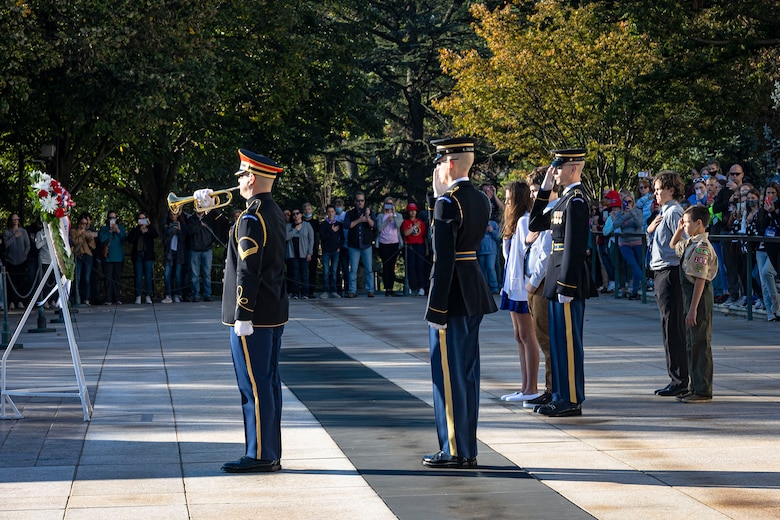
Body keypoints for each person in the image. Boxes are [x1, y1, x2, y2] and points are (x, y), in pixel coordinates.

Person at [193, 148, 288, 473]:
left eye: (242, 175)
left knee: (254, 386)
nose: (239, 181)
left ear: (253, 178)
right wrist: (208, 215)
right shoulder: (269, 212)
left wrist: (242, 314)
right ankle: (269, 450)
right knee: (268, 382)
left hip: (254, 317)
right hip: (272, 312)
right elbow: (236, 243)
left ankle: (260, 454)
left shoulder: (252, 216)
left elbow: (249, 270)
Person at [422, 137, 498, 468]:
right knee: (467, 374)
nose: (436, 169)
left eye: (439, 163)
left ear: (449, 164)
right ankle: (466, 447)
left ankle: (452, 449)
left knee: (448, 376)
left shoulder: (447, 203)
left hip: (451, 295)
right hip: (473, 288)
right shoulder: (480, 198)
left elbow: (442, 257)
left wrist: (435, 307)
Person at [528, 148, 593, 417]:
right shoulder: (562, 201)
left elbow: (574, 247)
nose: (555, 172)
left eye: (559, 167)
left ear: (573, 168)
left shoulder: (576, 201)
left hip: (567, 283)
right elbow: (535, 222)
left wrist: (566, 286)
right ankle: (559, 395)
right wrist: (544, 189)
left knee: (568, 342)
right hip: (556, 281)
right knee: (557, 342)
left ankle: (572, 398)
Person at [670, 205, 718, 402]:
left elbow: (700, 279)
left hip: (699, 300)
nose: (685, 225)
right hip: (690, 299)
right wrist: (680, 228)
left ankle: (703, 389)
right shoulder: (691, 242)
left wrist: (693, 309)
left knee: (700, 344)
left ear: (700, 223)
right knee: (691, 343)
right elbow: (674, 245)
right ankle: (695, 386)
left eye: (688, 222)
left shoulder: (702, 247)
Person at [498, 181, 540, 404]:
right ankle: (524, 386)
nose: (506, 203)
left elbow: (527, 251)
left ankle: (531, 387)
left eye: (508, 199)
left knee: (527, 335)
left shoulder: (525, 220)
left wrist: (522, 240)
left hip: (521, 286)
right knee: (518, 335)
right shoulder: (515, 223)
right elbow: (508, 254)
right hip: (512, 284)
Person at [647, 170, 688, 397]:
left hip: (670, 272)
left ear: (671, 190)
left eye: (659, 189)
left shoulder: (673, 212)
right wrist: (649, 229)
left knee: (673, 327)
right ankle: (675, 377)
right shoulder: (663, 212)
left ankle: (680, 379)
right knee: (667, 326)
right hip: (661, 271)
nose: (656, 193)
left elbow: (681, 245)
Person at [524, 168, 557, 409]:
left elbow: (546, 254)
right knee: (541, 335)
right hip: (536, 281)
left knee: (546, 338)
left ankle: (552, 388)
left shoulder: (552, 211)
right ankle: (551, 387)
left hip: (543, 282)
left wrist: (533, 282)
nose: (534, 196)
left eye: (537, 190)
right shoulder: (544, 211)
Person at [711, 164, 745, 306]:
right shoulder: (724, 191)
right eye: (732, 174)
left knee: (744, 265)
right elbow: (715, 207)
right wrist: (728, 201)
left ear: (742, 174)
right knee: (730, 265)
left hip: (743, 232)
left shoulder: (746, 189)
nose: (735, 177)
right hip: (727, 231)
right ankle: (733, 294)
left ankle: (747, 295)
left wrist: (738, 192)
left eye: (737, 174)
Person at [611, 193, 645, 299]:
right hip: (624, 242)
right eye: (625, 202)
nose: (627, 204)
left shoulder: (638, 211)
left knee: (637, 265)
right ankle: (644, 282)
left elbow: (639, 224)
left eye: (629, 201)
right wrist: (626, 215)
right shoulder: (620, 214)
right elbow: (615, 224)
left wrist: (632, 213)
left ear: (633, 202)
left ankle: (634, 291)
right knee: (632, 263)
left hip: (637, 242)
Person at [343, 191, 375, 298]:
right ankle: (352, 290)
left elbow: (373, 225)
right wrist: (360, 220)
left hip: (366, 244)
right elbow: (347, 225)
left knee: (369, 269)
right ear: (355, 201)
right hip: (354, 245)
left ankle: (370, 290)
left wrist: (367, 217)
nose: (360, 203)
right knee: (353, 269)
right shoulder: (350, 213)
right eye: (358, 200)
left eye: (362, 200)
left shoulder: (369, 212)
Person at [757, 182, 780, 320]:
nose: (770, 196)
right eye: (768, 193)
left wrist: (773, 213)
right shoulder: (763, 209)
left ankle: (775, 304)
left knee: (767, 272)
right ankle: (770, 312)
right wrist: (767, 213)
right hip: (763, 246)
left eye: (773, 193)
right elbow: (760, 228)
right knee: (763, 278)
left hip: (776, 249)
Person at [128, 212, 158, 304]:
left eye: (144, 218)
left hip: (148, 255)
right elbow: (130, 239)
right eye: (140, 219)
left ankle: (148, 295)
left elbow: (156, 235)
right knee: (138, 276)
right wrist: (139, 230)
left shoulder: (150, 229)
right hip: (138, 255)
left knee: (148, 276)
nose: (142, 220)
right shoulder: (135, 230)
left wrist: (148, 226)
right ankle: (138, 296)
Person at [375, 196, 403, 296]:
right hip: (383, 243)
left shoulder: (398, 215)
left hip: (394, 243)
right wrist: (387, 221)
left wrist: (394, 214)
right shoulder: (380, 216)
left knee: (392, 266)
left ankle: (391, 287)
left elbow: (398, 226)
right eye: (387, 203)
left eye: (391, 204)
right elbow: (379, 228)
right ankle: (387, 288)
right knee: (386, 266)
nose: (389, 205)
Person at [99, 211, 127, 305]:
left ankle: (117, 297)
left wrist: (118, 231)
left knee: (117, 278)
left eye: (114, 218)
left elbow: (124, 239)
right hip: (108, 257)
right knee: (108, 278)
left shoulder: (121, 228)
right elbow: (101, 239)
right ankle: (108, 298)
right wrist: (109, 231)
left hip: (118, 257)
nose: (112, 219)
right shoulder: (104, 229)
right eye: (110, 218)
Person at [3, 214, 30, 309]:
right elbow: (6, 245)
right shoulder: (7, 232)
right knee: (11, 282)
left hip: (22, 260)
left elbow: (28, 245)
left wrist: (24, 255)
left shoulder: (23, 232)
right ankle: (11, 301)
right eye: (13, 219)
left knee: (21, 282)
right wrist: (14, 236)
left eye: (17, 219)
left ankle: (20, 301)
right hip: (11, 260)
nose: (15, 221)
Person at [187, 209, 215, 302]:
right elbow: (189, 232)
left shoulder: (209, 218)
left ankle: (207, 294)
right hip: (194, 250)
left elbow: (213, 232)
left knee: (207, 274)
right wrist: (200, 224)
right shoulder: (191, 219)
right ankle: (196, 295)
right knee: (195, 275)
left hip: (207, 249)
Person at [285, 209, 314, 299]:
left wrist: (310, 253)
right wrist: (295, 230)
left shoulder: (307, 225)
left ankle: (305, 293)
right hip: (293, 254)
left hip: (304, 254)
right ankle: (295, 293)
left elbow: (311, 240)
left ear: (301, 215)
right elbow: (286, 237)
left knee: (304, 274)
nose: (295, 216)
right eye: (293, 214)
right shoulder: (288, 226)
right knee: (295, 274)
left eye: (297, 213)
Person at [401, 202, 428, 296]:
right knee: (410, 267)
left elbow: (424, 237)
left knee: (420, 267)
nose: (412, 213)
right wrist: (414, 227)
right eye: (411, 211)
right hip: (410, 246)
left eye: (414, 211)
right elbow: (406, 233)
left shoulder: (421, 223)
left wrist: (427, 249)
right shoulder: (406, 222)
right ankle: (411, 287)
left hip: (420, 246)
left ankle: (421, 287)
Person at [70, 215, 97, 305]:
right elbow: (75, 242)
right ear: (78, 223)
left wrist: (89, 238)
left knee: (86, 278)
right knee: (77, 278)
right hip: (78, 255)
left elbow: (93, 246)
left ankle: (86, 298)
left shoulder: (88, 232)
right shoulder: (74, 231)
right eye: (82, 223)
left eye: (85, 224)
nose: (83, 226)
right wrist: (82, 235)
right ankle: (76, 297)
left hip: (88, 255)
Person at [162, 210, 188, 303]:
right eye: (171, 214)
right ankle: (168, 295)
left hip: (179, 253)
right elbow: (165, 241)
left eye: (175, 214)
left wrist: (179, 230)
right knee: (167, 275)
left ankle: (177, 294)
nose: (173, 216)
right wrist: (171, 231)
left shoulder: (183, 226)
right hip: (169, 253)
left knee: (178, 275)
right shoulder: (166, 226)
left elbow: (183, 240)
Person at [318, 204, 343, 298]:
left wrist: (339, 247)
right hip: (326, 250)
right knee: (325, 272)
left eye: (332, 211)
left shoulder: (338, 224)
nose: (331, 213)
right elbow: (323, 237)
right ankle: (325, 291)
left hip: (335, 250)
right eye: (329, 211)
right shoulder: (324, 224)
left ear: (335, 212)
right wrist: (331, 231)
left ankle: (334, 290)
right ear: (327, 213)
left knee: (334, 272)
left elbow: (342, 237)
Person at [476, 215, 499, 295]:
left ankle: (495, 288)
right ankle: (485, 288)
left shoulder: (494, 224)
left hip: (491, 251)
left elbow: (498, 237)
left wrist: (492, 230)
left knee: (490, 267)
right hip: (481, 250)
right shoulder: (478, 223)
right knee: (482, 270)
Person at [301, 202, 320, 298]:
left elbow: (316, 237)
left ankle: (311, 291)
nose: (307, 211)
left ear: (312, 210)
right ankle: (303, 290)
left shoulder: (315, 223)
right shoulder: (300, 222)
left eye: (309, 209)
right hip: (302, 250)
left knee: (312, 271)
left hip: (313, 249)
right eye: (305, 209)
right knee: (302, 271)